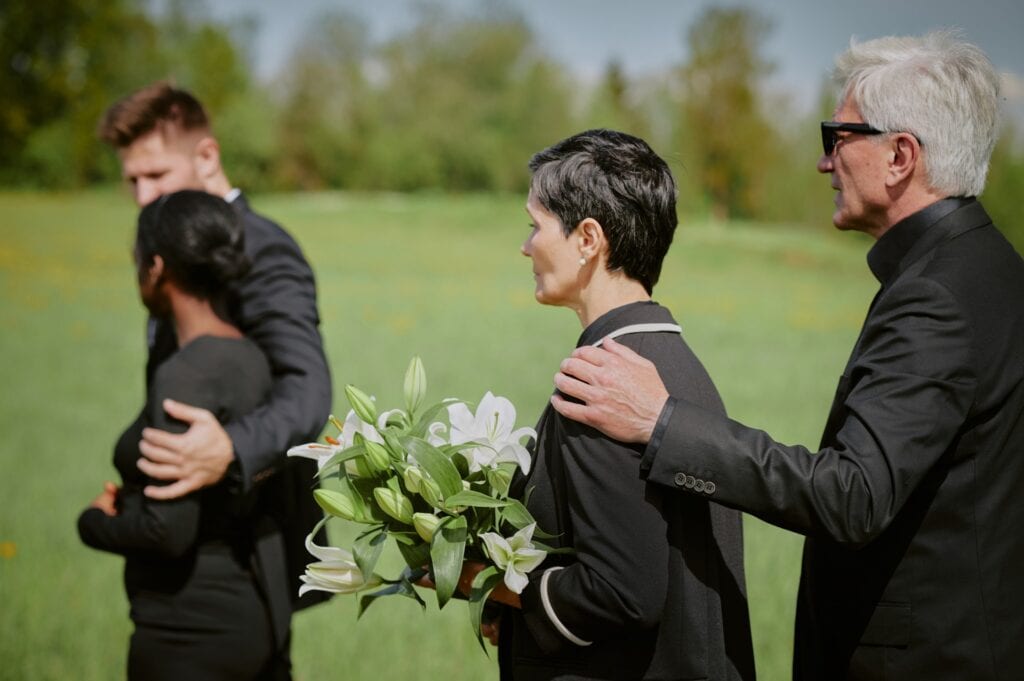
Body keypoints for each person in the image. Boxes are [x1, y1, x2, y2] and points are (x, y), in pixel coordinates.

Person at [550, 32, 1024, 680]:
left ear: (900, 156)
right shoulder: (992, 268)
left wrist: (663, 421)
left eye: (839, 136)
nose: (826, 163)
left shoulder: (935, 299)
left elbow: (853, 494)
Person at [474, 129, 755, 681]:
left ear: (588, 239)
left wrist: (493, 581)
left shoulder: (603, 382)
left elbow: (623, 592)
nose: (526, 246)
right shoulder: (678, 364)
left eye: (535, 226)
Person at [97, 82, 332, 676]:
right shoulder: (175, 244)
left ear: (206, 157)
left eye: (156, 175)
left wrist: (229, 449)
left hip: (243, 553)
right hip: (178, 552)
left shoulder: (263, 248)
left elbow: (306, 388)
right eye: (133, 181)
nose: (143, 196)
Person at [78, 190, 277, 679]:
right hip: (249, 616)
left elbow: (167, 531)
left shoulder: (183, 375)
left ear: (157, 267)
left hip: (184, 632)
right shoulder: (251, 356)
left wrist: (94, 522)